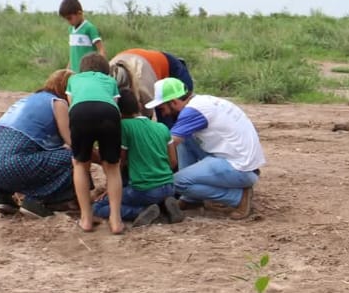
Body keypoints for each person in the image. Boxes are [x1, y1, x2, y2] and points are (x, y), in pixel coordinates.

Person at [146, 77, 265, 218]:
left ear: (173, 102)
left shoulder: (193, 112)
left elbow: (167, 145)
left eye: (162, 108)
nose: (163, 114)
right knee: (185, 139)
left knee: (176, 182)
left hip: (239, 169)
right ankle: (191, 199)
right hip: (242, 162)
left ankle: (238, 198)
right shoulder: (202, 102)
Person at [0, 70, 76, 216]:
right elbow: (74, 143)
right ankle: (38, 201)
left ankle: (3, 197)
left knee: (25, 153)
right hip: (8, 166)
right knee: (73, 157)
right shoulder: (58, 103)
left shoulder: (28, 100)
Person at [93, 89, 183, 228]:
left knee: (98, 207)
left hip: (145, 189)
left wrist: (111, 187)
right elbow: (173, 162)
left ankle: (141, 211)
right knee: (149, 195)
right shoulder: (162, 127)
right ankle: (164, 206)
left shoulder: (124, 127)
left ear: (118, 111)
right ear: (139, 106)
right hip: (169, 186)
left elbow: (120, 162)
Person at [65, 53, 125, 235]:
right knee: (112, 167)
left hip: (80, 112)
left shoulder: (73, 80)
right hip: (108, 113)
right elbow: (115, 105)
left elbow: (71, 104)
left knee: (80, 165)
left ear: (82, 69)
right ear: (106, 70)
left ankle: (86, 219)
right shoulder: (110, 81)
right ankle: (116, 220)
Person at [58, 0, 104, 73]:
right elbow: (73, 53)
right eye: (66, 19)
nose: (68, 22)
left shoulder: (89, 28)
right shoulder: (71, 30)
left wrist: (101, 70)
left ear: (79, 13)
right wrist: (67, 70)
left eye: (69, 18)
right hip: (75, 73)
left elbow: (101, 49)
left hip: (88, 73)